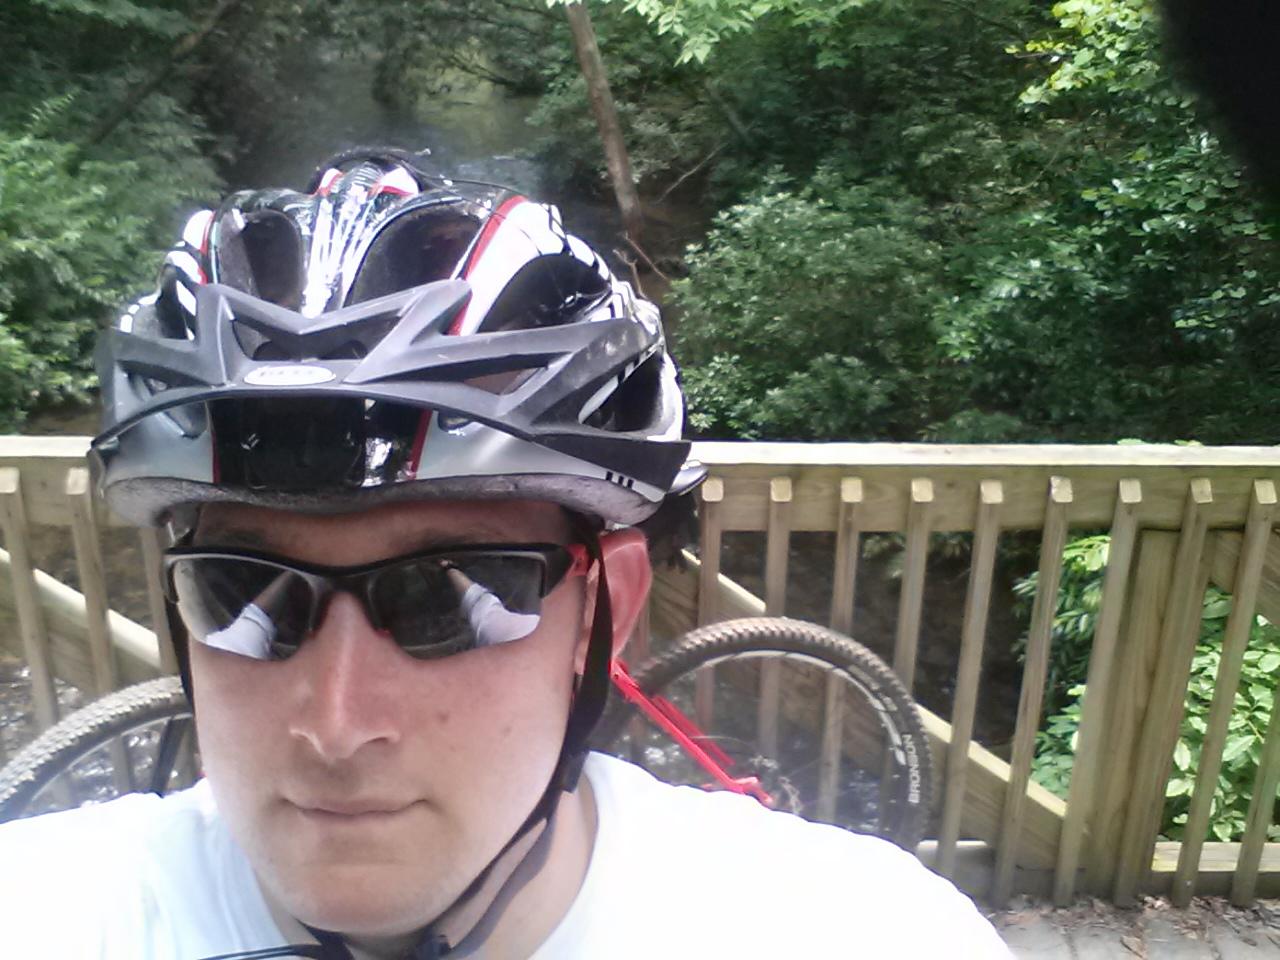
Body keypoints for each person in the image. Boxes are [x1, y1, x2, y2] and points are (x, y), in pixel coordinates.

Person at [0, 149, 1011, 959]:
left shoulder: (856, 931)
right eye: (238, 593)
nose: (336, 727)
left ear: (604, 605)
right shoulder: (45, 906)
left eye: (450, 595)